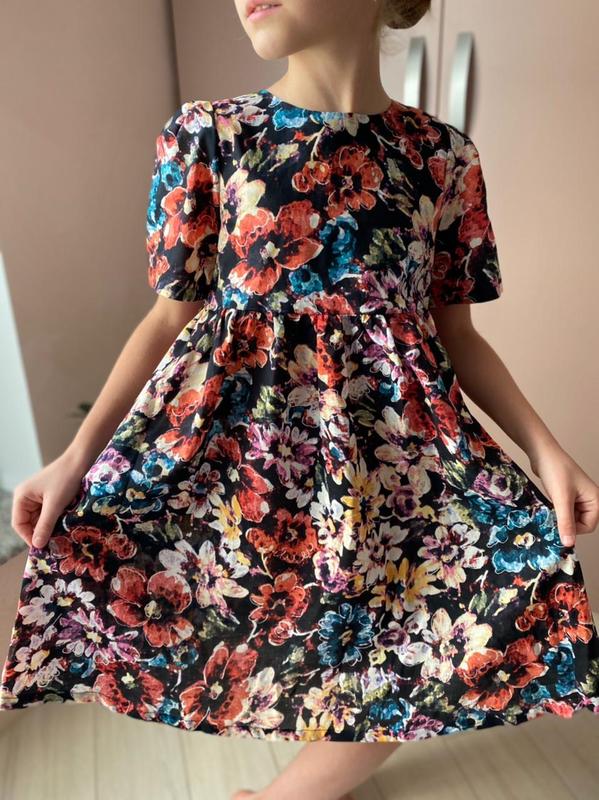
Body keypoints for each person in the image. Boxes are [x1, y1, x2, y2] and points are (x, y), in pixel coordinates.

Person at [2, 1, 599, 799]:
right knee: (153, 570)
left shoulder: (442, 155)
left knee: (439, 619)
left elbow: (455, 333)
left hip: (395, 462)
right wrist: (75, 459)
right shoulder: (211, 134)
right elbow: (169, 317)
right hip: (246, 453)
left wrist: (545, 452)